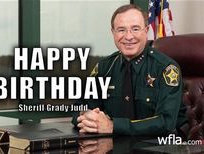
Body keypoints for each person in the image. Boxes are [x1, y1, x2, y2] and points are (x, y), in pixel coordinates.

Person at [72, 4, 188, 137]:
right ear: (113, 33)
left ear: (146, 30)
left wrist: (112, 126)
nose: (128, 36)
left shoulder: (166, 69)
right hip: (115, 143)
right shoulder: (104, 67)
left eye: (135, 29)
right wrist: (87, 117)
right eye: (121, 30)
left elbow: (166, 123)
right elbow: (79, 108)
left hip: (160, 144)